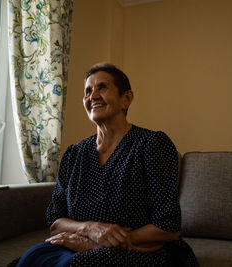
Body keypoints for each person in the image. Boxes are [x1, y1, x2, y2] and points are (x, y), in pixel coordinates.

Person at [15, 63, 199, 266]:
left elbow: (168, 228)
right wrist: (89, 230)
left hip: (142, 251)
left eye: (102, 87)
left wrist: (100, 245)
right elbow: (56, 223)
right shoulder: (74, 154)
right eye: (87, 91)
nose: (92, 96)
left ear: (126, 99)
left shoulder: (151, 145)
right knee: (32, 258)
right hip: (77, 244)